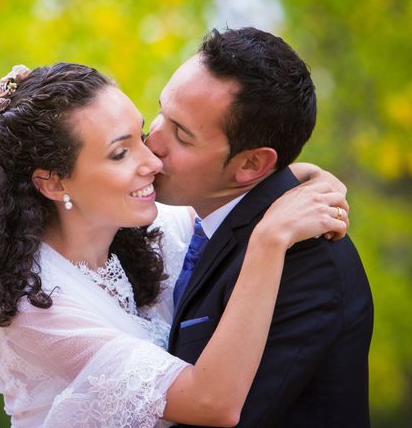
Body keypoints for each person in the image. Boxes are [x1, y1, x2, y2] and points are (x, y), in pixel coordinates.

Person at [0, 62, 350, 427]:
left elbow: (234, 195)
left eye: (140, 136)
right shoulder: (35, 308)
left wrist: (313, 180)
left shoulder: (137, 230)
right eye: (119, 154)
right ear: (52, 182)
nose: (152, 161)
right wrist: (269, 242)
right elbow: (211, 404)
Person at [146, 27, 374, 427]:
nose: (153, 140)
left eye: (181, 135)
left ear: (252, 165)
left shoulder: (305, 264)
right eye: (161, 110)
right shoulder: (201, 220)